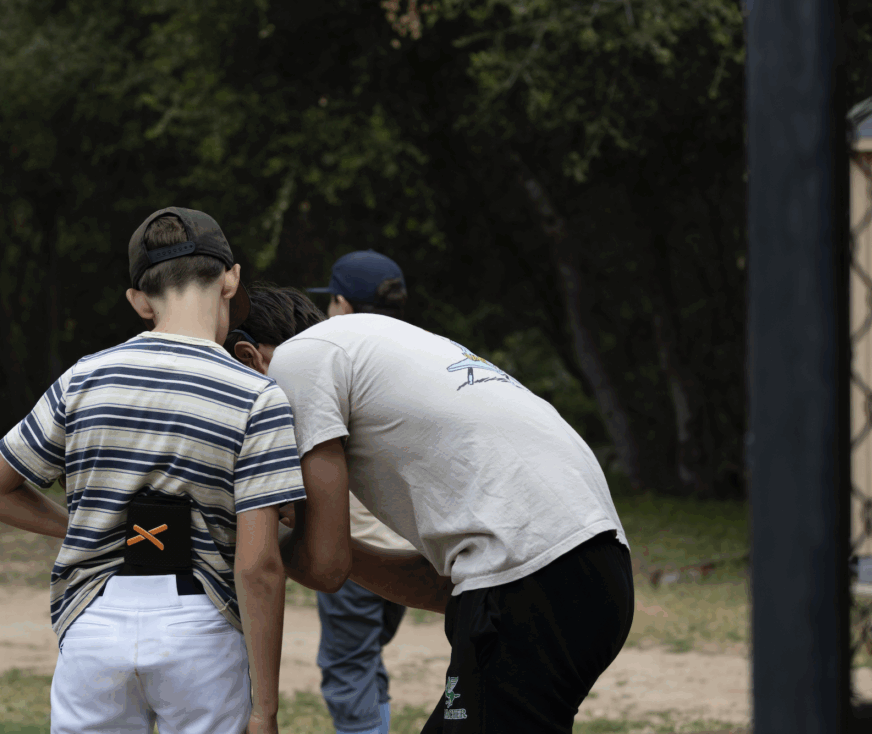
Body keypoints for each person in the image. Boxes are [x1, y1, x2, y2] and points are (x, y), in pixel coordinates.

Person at [225, 286, 634, 734]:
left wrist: (252, 533)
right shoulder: (377, 347)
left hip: (531, 580)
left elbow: (324, 568)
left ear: (247, 357)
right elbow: (441, 588)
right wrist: (316, 544)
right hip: (595, 574)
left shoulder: (296, 361)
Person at [0, 208, 306, 734]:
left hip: (94, 624)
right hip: (202, 629)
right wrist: (265, 710)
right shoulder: (257, 397)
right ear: (231, 279)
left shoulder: (83, 379)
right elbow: (258, 566)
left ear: (140, 300)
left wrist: (89, 529)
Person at [302, 250, 417, 734]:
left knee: (348, 666)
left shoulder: (335, 357)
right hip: (414, 545)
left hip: (359, 547)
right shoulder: (418, 356)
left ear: (343, 305)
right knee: (365, 660)